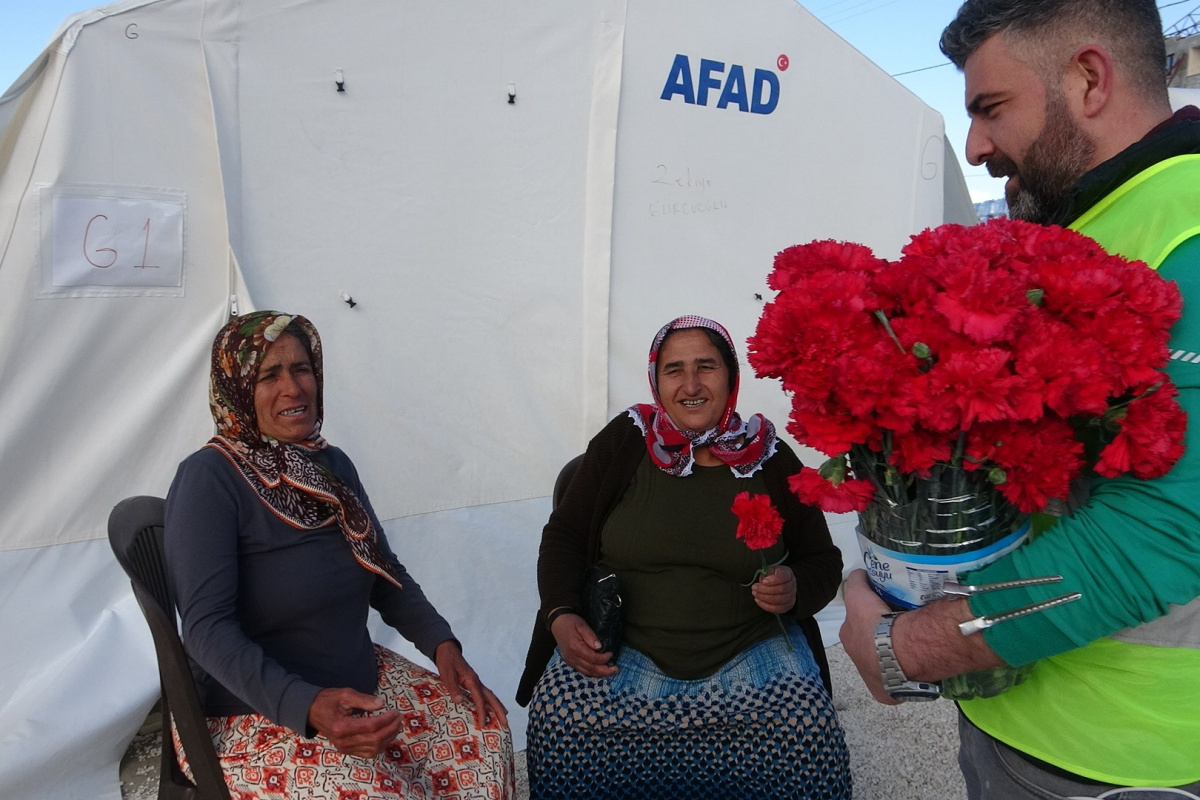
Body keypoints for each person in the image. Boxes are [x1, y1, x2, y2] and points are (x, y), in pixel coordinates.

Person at [840, 1, 1200, 797]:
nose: (973, 145)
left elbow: (1171, 532)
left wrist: (910, 649)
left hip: (1130, 765)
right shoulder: (1088, 224)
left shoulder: (1190, 229)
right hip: (1025, 725)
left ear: (1089, 78)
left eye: (990, 108)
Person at [164, 311, 514, 799]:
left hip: (357, 679)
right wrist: (306, 705)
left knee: (486, 733)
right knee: (378, 792)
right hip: (254, 711)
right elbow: (204, 630)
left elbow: (383, 573)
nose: (294, 388)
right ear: (237, 388)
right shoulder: (210, 478)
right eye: (269, 375)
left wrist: (443, 646)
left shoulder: (331, 465)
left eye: (301, 368)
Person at [517, 315, 851, 799]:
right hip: (623, 654)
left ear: (731, 376)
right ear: (656, 379)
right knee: (559, 715)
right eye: (674, 369)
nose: (691, 385)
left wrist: (795, 586)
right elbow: (565, 534)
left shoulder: (769, 456)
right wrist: (562, 616)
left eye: (706, 367)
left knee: (807, 728)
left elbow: (822, 559)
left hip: (750, 653)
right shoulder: (624, 443)